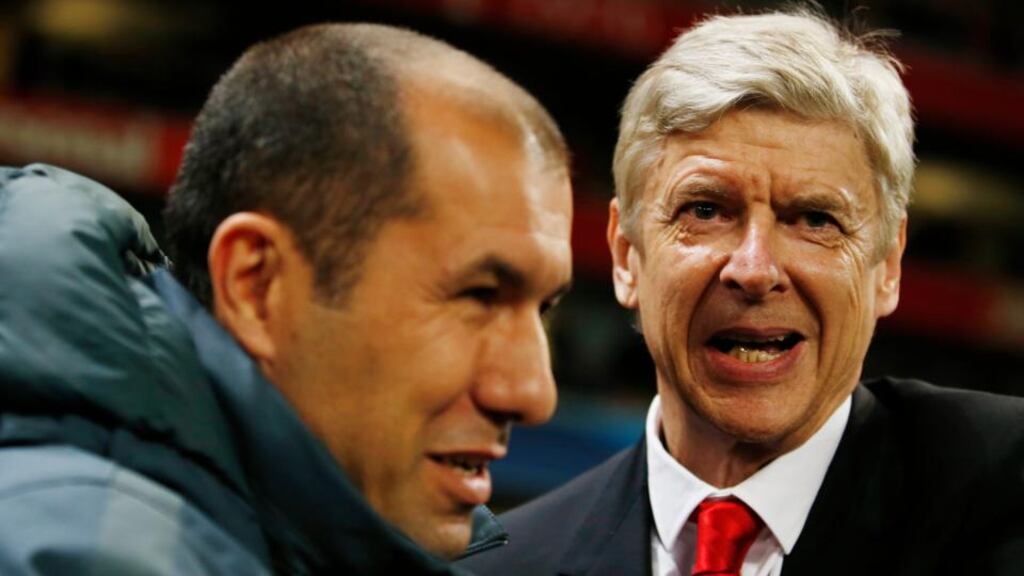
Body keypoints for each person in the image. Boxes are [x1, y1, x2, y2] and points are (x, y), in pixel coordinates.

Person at [458, 8, 1024, 576]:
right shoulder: (508, 566)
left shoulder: (1006, 492)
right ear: (626, 255)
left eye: (815, 219)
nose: (754, 269)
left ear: (888, 266)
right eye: (705, 211)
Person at [0, 22, 572, 575]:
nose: (532, 394)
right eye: (478, 295)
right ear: (257, 285)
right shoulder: (79, 553)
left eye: (543, 308)